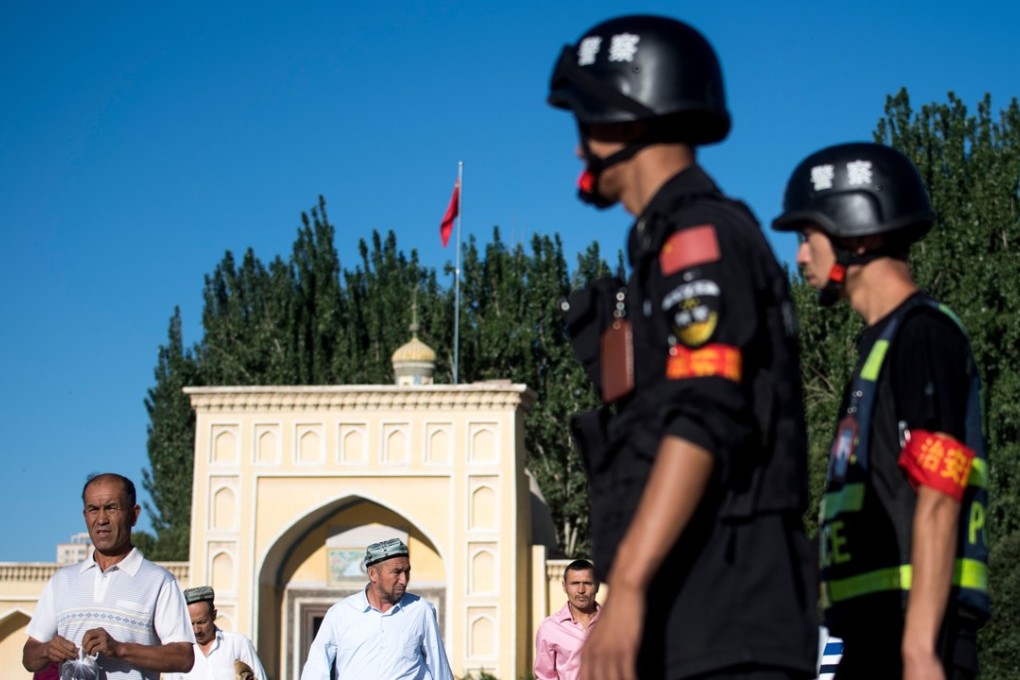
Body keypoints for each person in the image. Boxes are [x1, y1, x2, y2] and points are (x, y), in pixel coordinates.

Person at [548, 14, 817, 680]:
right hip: (701, 613)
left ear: (627, 118)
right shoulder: (669, 246)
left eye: (586, 125)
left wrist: (627, 588)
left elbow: (704, 414)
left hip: (730, 615)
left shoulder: (697, 238)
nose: (579, 152)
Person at [772, 142, 989, 679]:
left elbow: (939, 490)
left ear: (857, 235)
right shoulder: (878, 348)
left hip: (915, 636)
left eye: (808, 237)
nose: (801, 257)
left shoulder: (922, 335)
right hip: (870, 633)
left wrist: (919, 651)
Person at [22, 473, 195, 678]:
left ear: (134, 515)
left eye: (111, 508)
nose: (102, 519)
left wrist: (120, 649)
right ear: (85, 515)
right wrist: (46, 650)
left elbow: (184, 657)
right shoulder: (62, 581)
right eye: (93, 509)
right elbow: (29, 657)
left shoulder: (159, 581)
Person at [299, 537, 453, 679]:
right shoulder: (340, 613)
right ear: (373, 574)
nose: (404, 580)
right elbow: (316, 669)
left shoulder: (420, 610)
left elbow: (438, 665)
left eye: (407, 572)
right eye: (396, 572)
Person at [162, 586, 267, 680]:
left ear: (214, 615)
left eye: (202, 622)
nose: (196, 630)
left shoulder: (238, 644)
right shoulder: (180, 653)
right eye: (191, 624)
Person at [534, 559, 601, 680]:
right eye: (575, 583)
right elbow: (545, 677)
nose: (581, 590)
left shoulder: (614, 625)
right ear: (565, 587)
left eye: (587, 583)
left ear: (597, 586)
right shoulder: (549, 628)